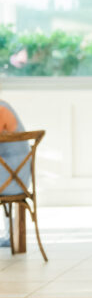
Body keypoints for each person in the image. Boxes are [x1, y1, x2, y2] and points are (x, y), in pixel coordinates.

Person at [0, 98, 30, 248]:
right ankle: (12, 236)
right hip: (18, 179)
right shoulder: (4, 105)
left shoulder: (1, 109)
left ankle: (11, 235)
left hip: (10, 179)